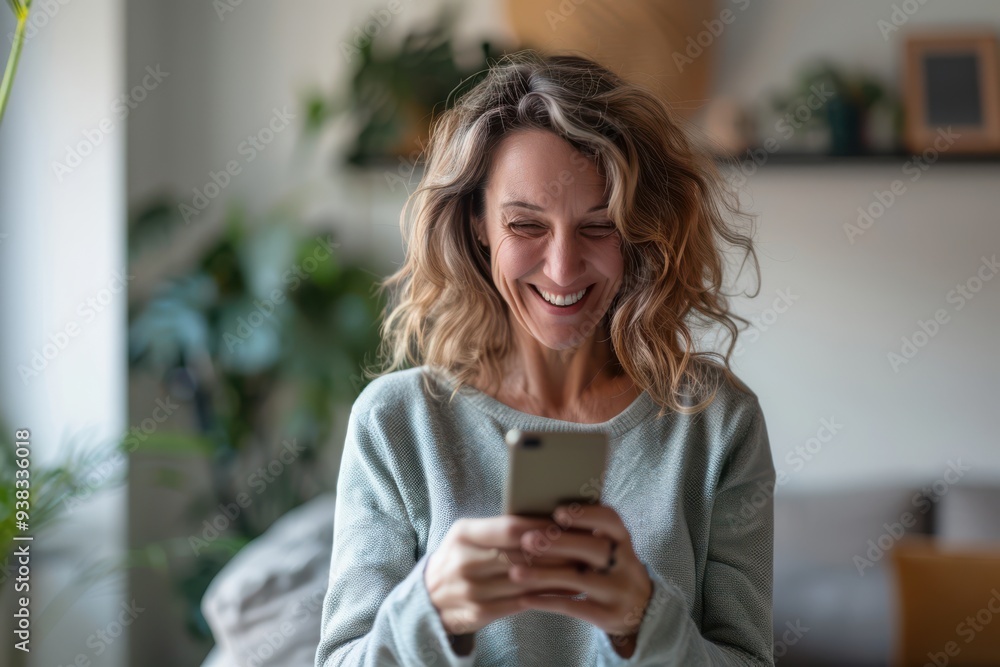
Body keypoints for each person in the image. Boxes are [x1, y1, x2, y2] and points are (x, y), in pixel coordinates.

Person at [315, 50, 775, 667]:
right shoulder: (398, 424)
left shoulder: (717, 424)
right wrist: (430, 611)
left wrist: (644, 624)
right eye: (526, 225)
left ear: (637, 230)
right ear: (478, 222)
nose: (562, 269)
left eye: (598, 226)